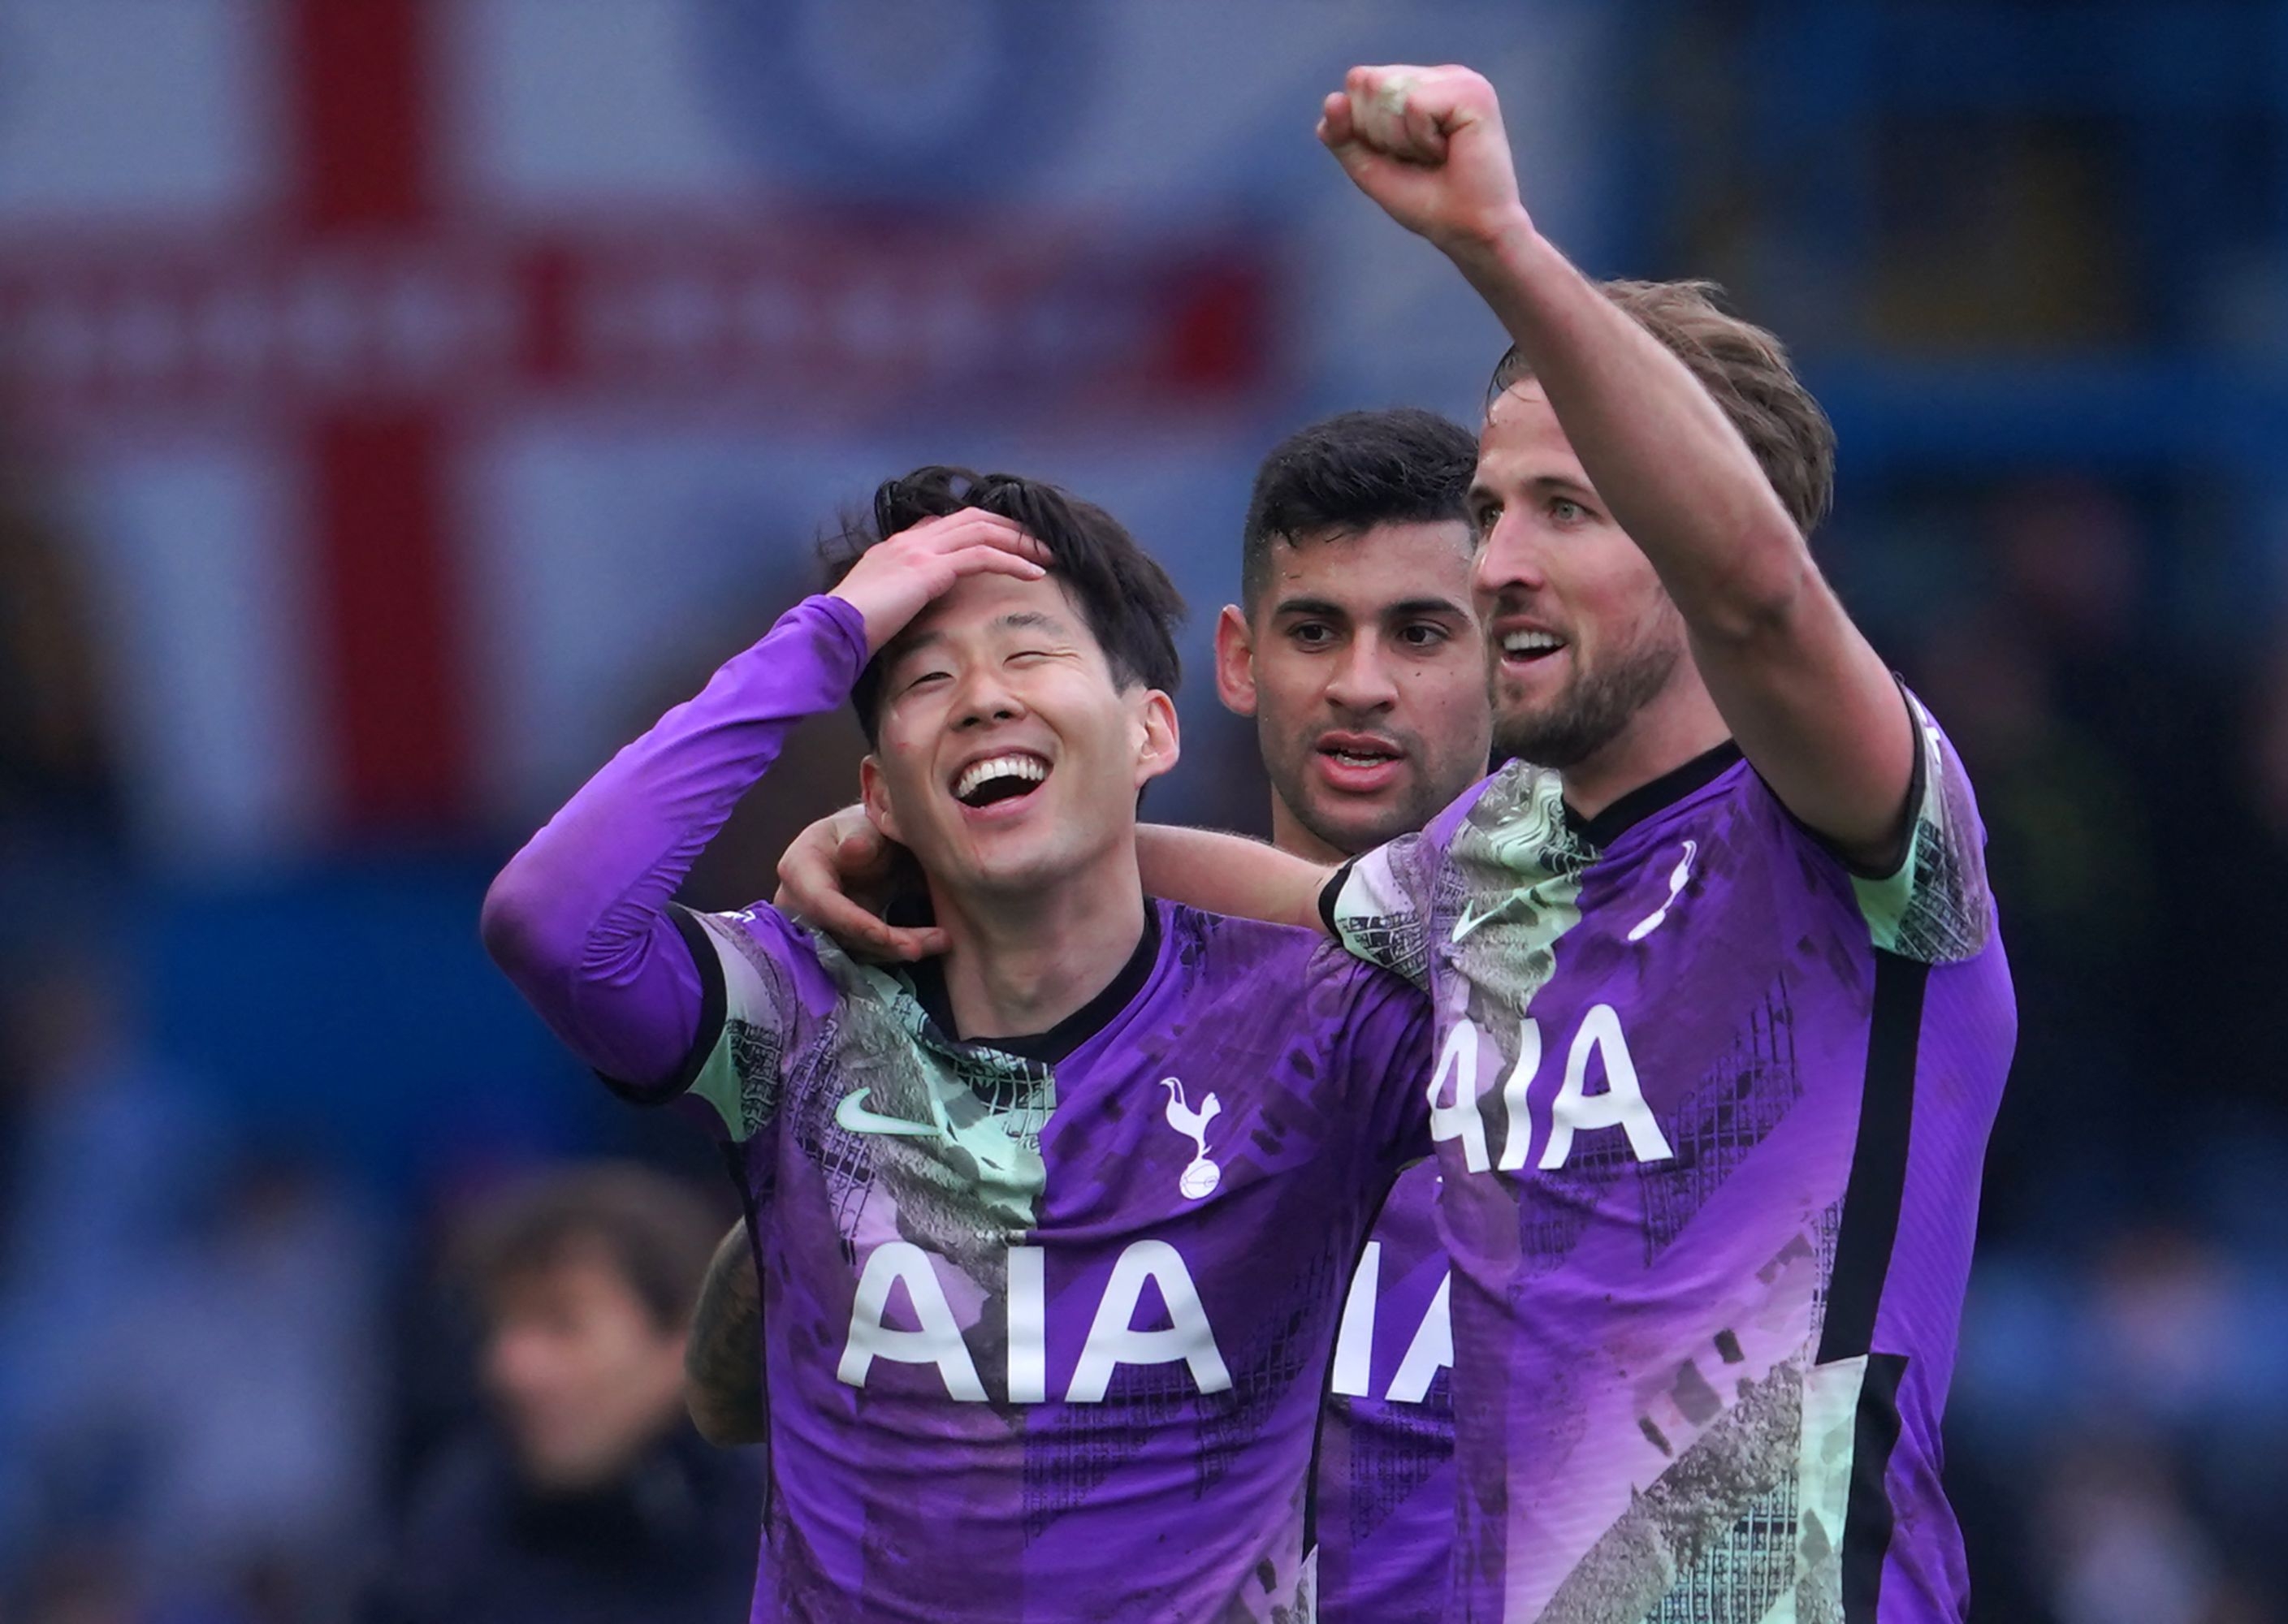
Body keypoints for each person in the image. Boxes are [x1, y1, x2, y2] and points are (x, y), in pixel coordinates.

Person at [781, 63, 2015, 1620]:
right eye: (1493, 511)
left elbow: (1764, 596)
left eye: (1568, 508)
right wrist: (956, 835)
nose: (1501, 562)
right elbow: (1298, 900)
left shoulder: (1865, 837)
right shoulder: (1491, 860)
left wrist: (1497, 242)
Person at [480, 467, 1431, 1622]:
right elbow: (554, 923)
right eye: (926, 677)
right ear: (879, 792)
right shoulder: (794, 1009)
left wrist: (1110, 844)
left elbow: (1524, 970)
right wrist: (827, 638)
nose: (983, 698)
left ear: (1153, 730)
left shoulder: (1317, 1021)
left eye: (1029, 654)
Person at [360, 1165, 759, 1624]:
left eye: (561, 1325)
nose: (509, 1366)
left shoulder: (799, 1534)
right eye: (497, 1327)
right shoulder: (451, 1528)